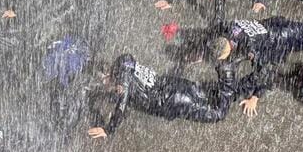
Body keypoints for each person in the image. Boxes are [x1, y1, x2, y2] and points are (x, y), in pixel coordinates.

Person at [209, 15, 303, 113]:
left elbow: (265, 71)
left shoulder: (250, 47)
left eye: (223, 58)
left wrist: (255, 97)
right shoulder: (229, 28)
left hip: (283, 37)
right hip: (276, 24)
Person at [88, 53, 236, 138]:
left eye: (104, 82)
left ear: (108, 75)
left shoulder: (122, 80)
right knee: (212, 93)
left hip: (174, 101)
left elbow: (122, 103)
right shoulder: (125, 60)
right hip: (174, 84)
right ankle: (236, 85)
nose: (105, 86)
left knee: (218, 113)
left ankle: (228, 73)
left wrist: (109, 129)